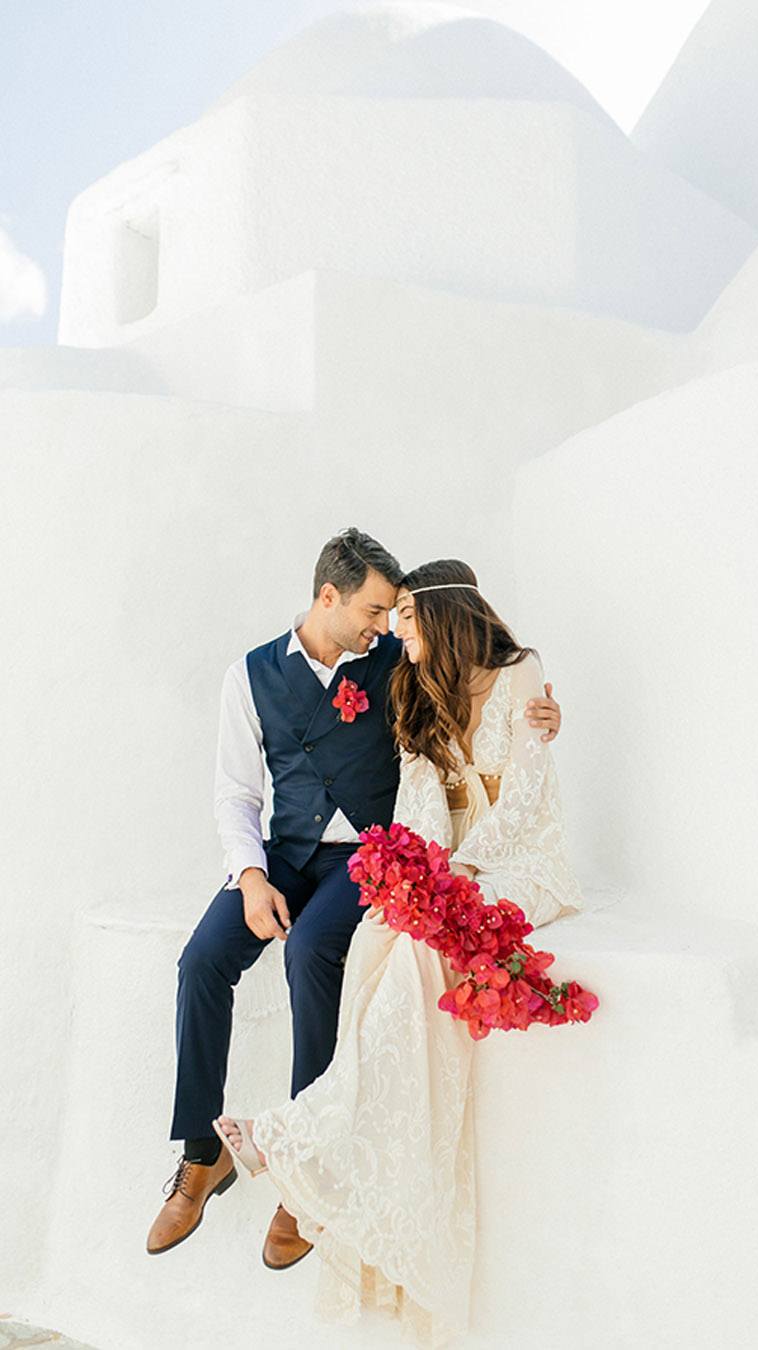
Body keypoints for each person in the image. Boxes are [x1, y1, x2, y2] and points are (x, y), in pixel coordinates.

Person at [146, 530, 562, 1269]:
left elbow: (468, 684)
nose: (384, 624)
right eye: (374, 608)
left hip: (366, 854)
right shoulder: (248, 675)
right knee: (200, 961)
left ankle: (305, 1173)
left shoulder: (396, 664)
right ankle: (200, 1154)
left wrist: (543, 716)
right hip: (282, 854)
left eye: (393, 613)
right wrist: (249, 876)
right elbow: (236, 794)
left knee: (313, 952)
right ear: (327, 596)